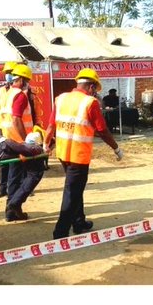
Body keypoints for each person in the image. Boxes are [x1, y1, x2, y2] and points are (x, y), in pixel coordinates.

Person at [44, 69, 122, 239]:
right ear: (91, 86)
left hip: (63, 152)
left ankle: (79, 222)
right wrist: (116, 148)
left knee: (75, 188)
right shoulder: (90, 102)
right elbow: (102, 130)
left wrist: (46, 144)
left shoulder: (61, 98)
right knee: (72, 192)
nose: (95, 92)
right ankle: (60, 232)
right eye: (95, 89)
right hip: (78, 156)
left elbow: (51, 125)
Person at [1, 64, 36, 213]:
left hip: (9, 139)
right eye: (27, 80)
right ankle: (14, 205)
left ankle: (12, 211)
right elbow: (16, 119)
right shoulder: (20, 95)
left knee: (14, 177)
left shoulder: (8, 93)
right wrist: (25, 141)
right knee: (35, 172)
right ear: (21, 80)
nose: (28, 83)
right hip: (19, 142)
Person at [0, 62, 16, 199]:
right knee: (3, 159)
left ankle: (17, 187)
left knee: (17, 160)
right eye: (7, 72)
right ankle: (2, 188)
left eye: (12, 71)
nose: (9, 75)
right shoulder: (0, 88)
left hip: (15, 129)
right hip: (1, 129)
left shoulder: (22, 89)